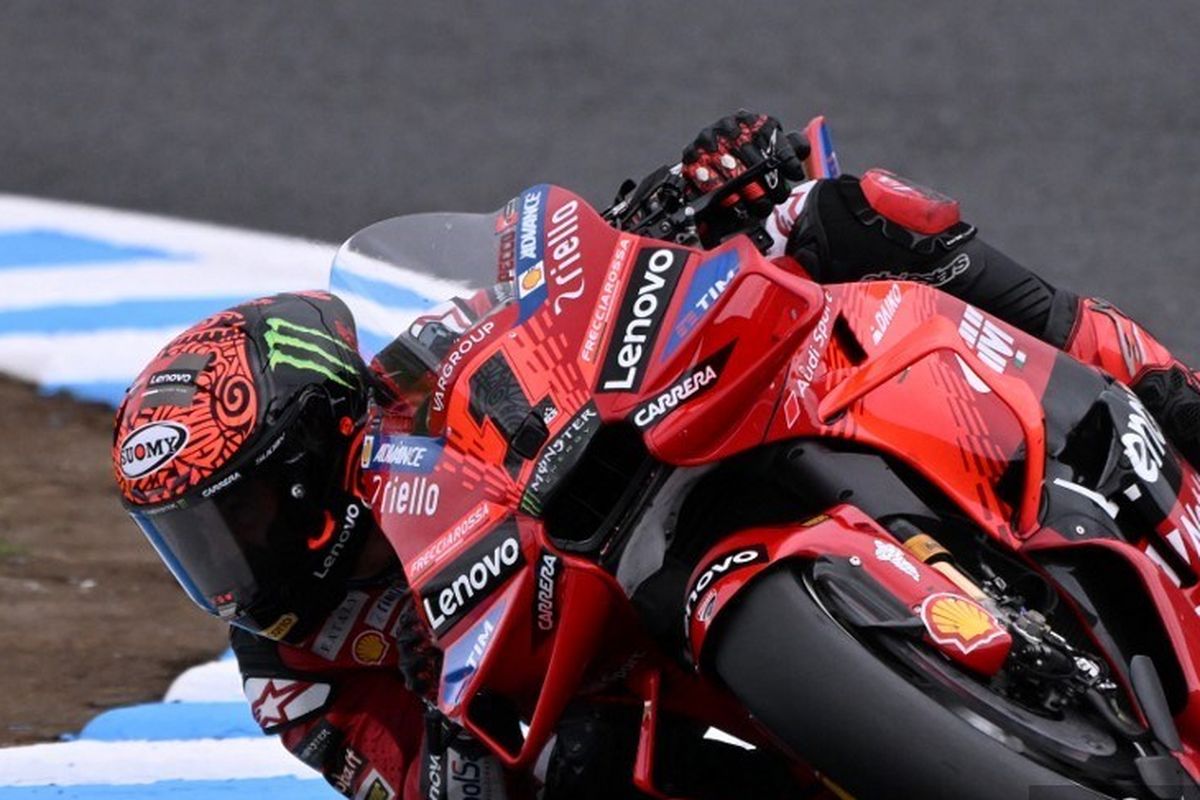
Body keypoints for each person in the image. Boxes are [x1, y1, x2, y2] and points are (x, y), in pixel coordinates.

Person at [112, 111, 1200, 800]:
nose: (224, 567)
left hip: (643, 481)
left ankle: (1165, 395)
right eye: (187, 540)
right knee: (574, 773)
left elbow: (549, 305)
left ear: (316, 452)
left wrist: (695, 199)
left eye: (236, 515)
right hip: (606, 689)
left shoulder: (415, 376)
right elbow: (391, 772)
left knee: (860, 216)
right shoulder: (291, 670)